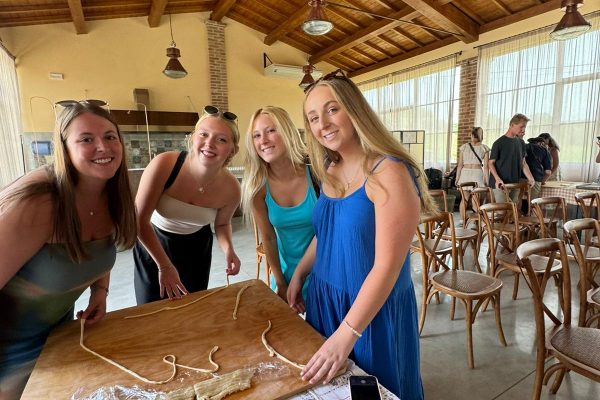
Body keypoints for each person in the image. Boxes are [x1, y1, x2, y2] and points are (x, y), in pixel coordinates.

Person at [288, 69, 435, 400]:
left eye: (332, 109)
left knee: (376, 390)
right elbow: (326, 234)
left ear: (355, 109)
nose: (322, 124)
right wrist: (300, 273)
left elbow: (387, 266)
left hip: (370, 310)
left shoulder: (389, 171)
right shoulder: (330, 170)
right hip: (325, 300)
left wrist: (346, 334)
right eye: (312, 118)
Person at [0, 102, 137, 400]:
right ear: (64, 147)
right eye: (86, 139)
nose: (103, 146)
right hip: (8, 353)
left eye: (110, 136)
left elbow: (101, 251)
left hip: (56, 340)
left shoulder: (112, 193)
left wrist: (100, 291)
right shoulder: (38, 200)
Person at [133, 106, 241, 304]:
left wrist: (229, 250)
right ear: (193, 138)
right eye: (204, 134)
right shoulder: (164, 164)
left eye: (221, 139)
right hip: (153, 244)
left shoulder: (231, 188)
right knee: (150, 311)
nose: (210, 144)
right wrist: (164, 266)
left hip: (196, 250)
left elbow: (222, 224)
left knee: (191, 309)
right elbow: (138, 220)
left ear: (232, 150)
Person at [241, 107, 317, 301]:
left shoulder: (316, 172)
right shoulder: (258, 187)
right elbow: (268, 238)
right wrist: (281, 282)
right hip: (286, 275)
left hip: (324, 272)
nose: (263, 141)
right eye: (256, 135)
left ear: (287, 131)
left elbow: (328, 231)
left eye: (271, 131)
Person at [488, 113, 535, 203]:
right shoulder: (498, 143)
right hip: (500, 184)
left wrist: (531, 178)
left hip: (514, 183)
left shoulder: (521, 143)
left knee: (512, 210)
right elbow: (490, 163)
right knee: (502, 211)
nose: (523, 130)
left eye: (525, 127)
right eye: (521, 127)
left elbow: (523, 163)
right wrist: (497, 179)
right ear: (512, 125)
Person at [456, 127, 489, 223]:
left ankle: (463, 221)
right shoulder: (484, 148)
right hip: (477, 174)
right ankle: (477, 221)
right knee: (475, 200)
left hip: (465, 173)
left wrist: (457, 179)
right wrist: (486, 181)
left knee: (464, 199)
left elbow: (460, 165)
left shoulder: (464, 147)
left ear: (472, 135)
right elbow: (486, 167)